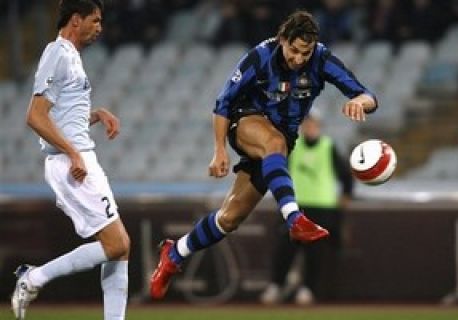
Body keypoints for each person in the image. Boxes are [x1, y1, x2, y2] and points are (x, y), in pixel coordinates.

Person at [150, 10, 377, 300]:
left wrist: (359, 101)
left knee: (229, 218)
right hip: (245, 121)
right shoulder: (260, 56)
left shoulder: (321, 58)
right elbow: (223, 104)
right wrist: (219, 150)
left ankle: (175, 252)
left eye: (305, 53)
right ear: (283, 40)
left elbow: (369, 96)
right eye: (294, 50)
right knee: (274, 140)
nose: (299, 58)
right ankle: (294, 218)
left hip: (278, 146)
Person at [11, 1, 130, 319]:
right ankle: (33, 277)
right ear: (75, 20)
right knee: (117, 244)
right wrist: (74, 153)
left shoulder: (72, 58)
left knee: (120, 248)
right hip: (71, 163)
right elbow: (35, 116)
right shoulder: (57, 53)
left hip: (81, 157)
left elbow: (63, 117)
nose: (100, 27)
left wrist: (96, 115)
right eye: (95, 20)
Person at [260, 109, 353, 305]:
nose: (310, 127)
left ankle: (308, 288)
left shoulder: (329, 147)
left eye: (313, 123)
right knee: (284, 248)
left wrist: (345, 196)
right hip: (296, 207)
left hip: (323, 207)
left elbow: (346, 174)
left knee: (315, 253)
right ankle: (277, 285)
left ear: (319, 126)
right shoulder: (293, 147)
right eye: (307, 123)